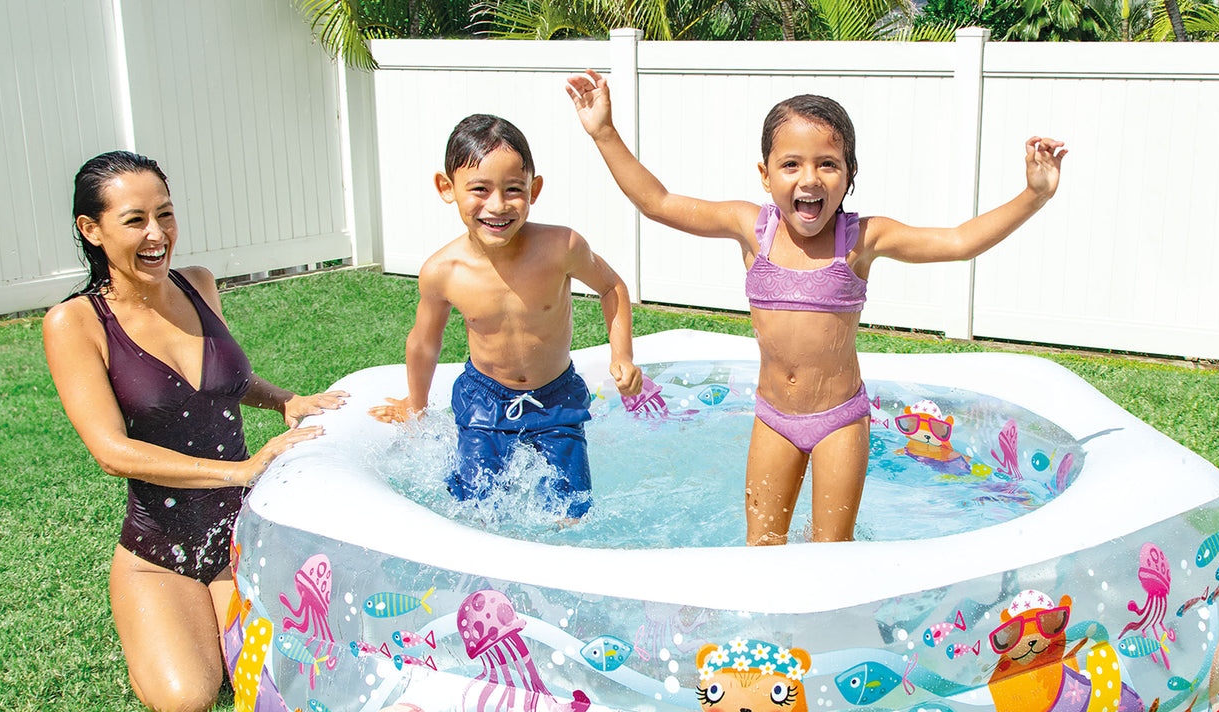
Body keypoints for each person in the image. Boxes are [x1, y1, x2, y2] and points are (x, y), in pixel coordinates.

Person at [566, 70, 1067, 545]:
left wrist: (1033, 194)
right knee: (762, 546)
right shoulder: (753, 230)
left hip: (840, 421)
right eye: (791, 164)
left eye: (828, 164)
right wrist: (604, 132)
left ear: (849, 175)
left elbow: (958, 241)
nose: (810, 178)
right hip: (773, 419)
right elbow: (657, 202)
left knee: (832, 550)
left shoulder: (861, 239)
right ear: (765, 175)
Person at [42, 151, 346, 712]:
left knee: (289, 683)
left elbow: (224, 381)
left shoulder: (199, 285)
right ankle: (166, 617)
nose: (157, 235)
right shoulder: (76, 323)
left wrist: (285, 400)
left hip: (242, 538)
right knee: (187, 698)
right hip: (158, 554)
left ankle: (216, 612)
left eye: (165, 214)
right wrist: (241, 471)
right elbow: (111, 452)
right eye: (135, 220)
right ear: (91, 229)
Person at [370, 114, 641, 521]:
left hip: (556, 397)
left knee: (571, 515)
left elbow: (611, 286)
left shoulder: (561, 247)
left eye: (514, 190)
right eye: (480, 189)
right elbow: (424, 343)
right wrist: (417, 406)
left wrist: (623, 356)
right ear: (447, 188)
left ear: (535, 189)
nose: (497, 205)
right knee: (475, 510)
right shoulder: (443, 271)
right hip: (484, 399)